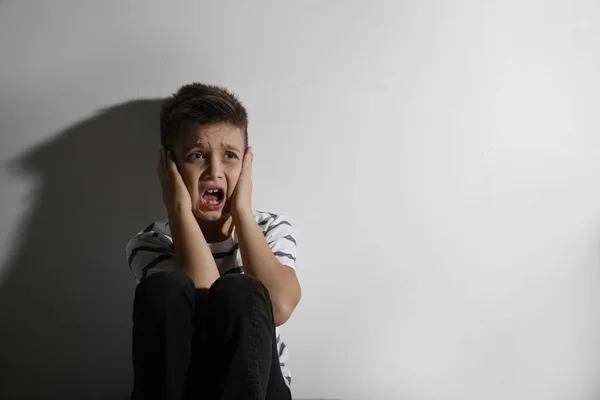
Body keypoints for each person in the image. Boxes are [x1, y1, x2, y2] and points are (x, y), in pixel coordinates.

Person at [125, 83, 302, 400]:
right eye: (196, 155)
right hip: (187, 388)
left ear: (246, 164)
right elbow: (205, 312)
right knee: (163, 286)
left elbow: (279, 307)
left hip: (259, 390)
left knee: (241, 291)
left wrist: (243, 213)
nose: (214, 171)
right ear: (170, 166)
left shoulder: (271, 227)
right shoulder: (151, 242)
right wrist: (178, 207)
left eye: (230, 156)